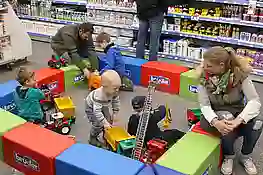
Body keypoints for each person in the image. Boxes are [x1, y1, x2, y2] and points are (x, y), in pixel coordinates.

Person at [197, 46, 263, 175]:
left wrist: (240, 120)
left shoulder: (240, 75)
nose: (204, 68)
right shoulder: (203, 77)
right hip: (215, 115)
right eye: (204, 64)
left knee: (258, 123)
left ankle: (245, 156)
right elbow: (204, 105)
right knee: (226, 119)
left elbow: (254, 101)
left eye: (209, 66)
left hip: (238, 112)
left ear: (221, 65)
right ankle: (229, 156)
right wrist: (215, 122)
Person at [85, 70, 121, 147]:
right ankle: (92, 138)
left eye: (118, 88)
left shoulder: (114, 92)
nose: (117, 90)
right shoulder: (99, 95)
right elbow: (97, 112)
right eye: (115, 88)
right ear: (104, 86)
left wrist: (115, 113)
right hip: (91, 108)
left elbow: (115, 102)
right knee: (98, 124)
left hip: (103, 105)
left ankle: (106, 136)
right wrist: (104, 123)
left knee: (109, 120)